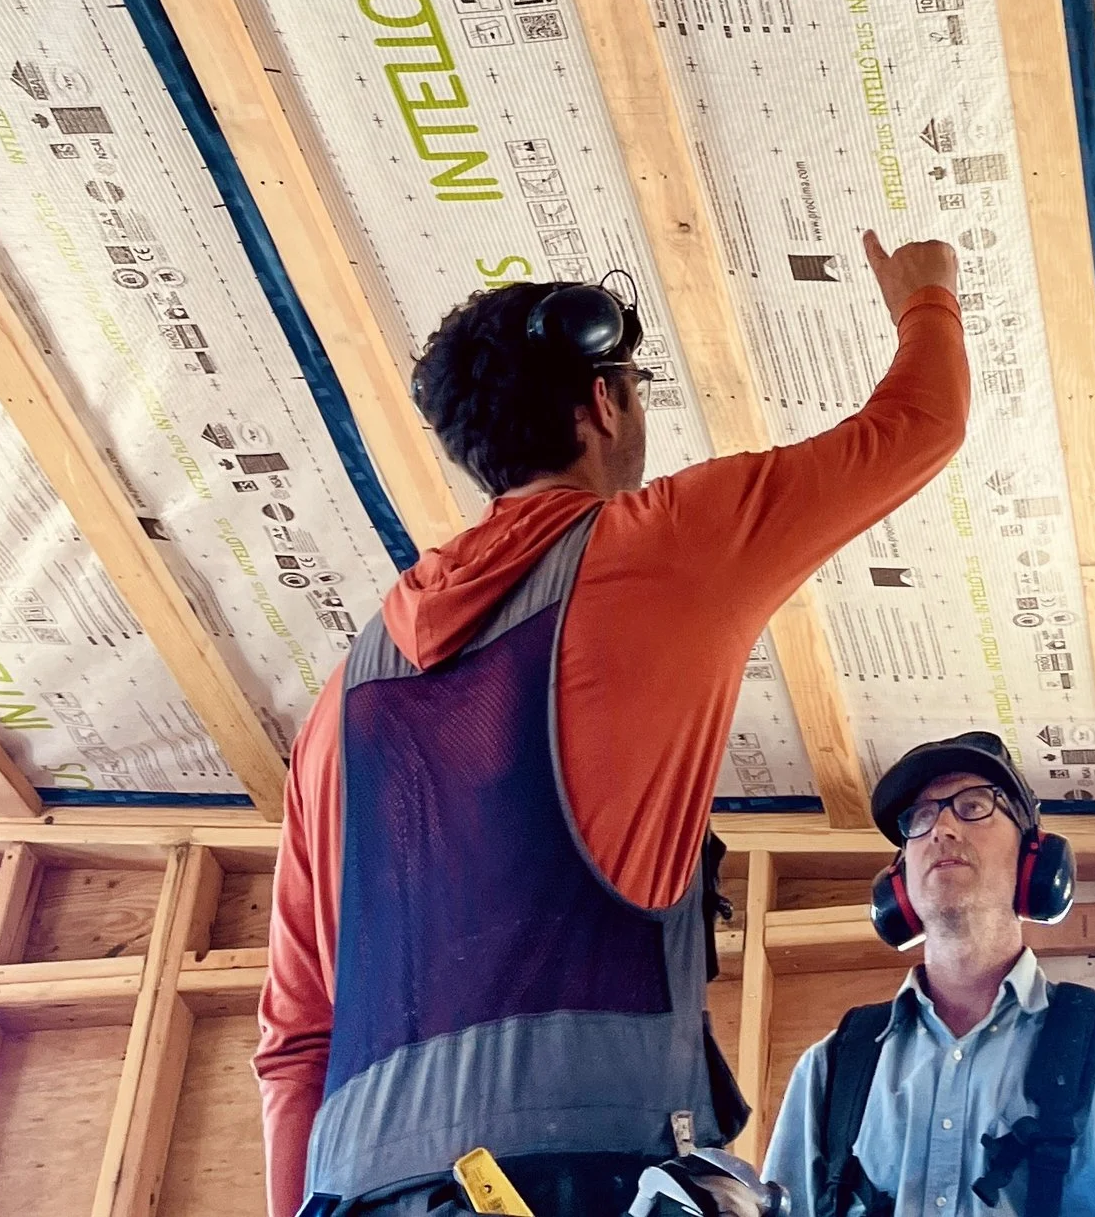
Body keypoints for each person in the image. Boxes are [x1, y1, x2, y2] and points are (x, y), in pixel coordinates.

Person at [259, 234, 968, 1217]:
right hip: (592, 1184)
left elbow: (296, 1044)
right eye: (634, 387)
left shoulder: (335, 710)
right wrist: (926, 296)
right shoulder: (658, 547)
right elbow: (916, 428)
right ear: (604, 403)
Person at [764, 734, 1095, 1217]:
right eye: (919, 818)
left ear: (1035, 860)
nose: (942, 829)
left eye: (972, 807)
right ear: (896, 884)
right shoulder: (832, 1068)